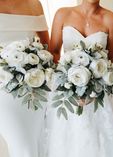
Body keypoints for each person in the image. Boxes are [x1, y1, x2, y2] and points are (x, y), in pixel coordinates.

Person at [40, 0, 113, 157]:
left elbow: (109, 62)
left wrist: (93, 88)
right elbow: (55, 52)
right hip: (66, 91)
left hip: (98, 92)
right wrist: (67, 84)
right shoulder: (62, 14)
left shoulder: (111, 19)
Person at [0, 0, 49, 157]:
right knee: (22, 146)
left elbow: (47, 48)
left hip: (35, 86)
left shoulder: (34, 4)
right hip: (3, 89)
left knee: (40, 141)